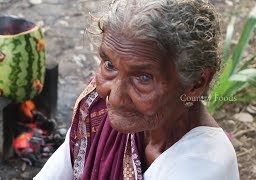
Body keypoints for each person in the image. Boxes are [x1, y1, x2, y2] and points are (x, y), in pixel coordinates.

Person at [34, 0, 239, 179]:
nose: (114, 98)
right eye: (110, 65)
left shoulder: (202, 168)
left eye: (143, 78)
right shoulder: (98, 112)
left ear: (196, 83)